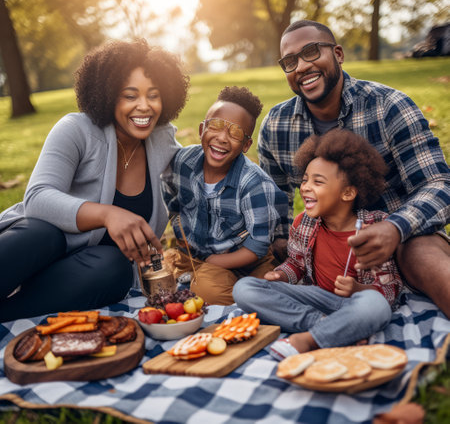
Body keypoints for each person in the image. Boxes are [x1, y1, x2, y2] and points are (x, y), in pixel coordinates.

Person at [258, 19, 450, 317]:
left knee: (422, 256)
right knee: (255, 285)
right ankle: (317, 329)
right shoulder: (277, 125)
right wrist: (284, 245)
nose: (301, 67)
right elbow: (273, 197)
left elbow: (439, 183)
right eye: (290, 61)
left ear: (338, 53)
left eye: (311, 52)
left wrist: (395, 228)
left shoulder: (389, 106)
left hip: (403, 241)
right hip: (325, 250)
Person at [0, 40, 189, 322]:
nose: (144, 106)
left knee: (114, 268)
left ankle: (7, 316)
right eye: (130, 96)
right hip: (32, 251)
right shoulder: (76, 130)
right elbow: (37, 198)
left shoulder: (162, 142)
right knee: (43, 233)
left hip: (81, 273)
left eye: (154, 95)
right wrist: (107, 215)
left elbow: (203, 170)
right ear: (109, 95)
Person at [233, 129, 403, 358]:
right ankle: (330, 327)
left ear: (348, 192)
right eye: (305, 180)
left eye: (318, 182)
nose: (305, 187)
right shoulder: (303, 224)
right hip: (315, 301)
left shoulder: (375, 227)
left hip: (357, 302)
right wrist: (282, 275)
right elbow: (296, 264)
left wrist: (357, 289)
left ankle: (308, 339)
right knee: (244, 289)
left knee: (376, 306)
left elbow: (390, 290)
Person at [161, 86, 288, 305]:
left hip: (248, 259)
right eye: (216, 126)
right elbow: (170, 200)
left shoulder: (254, 183)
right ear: (202, 130)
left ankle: (248, 293)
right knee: (162, 273)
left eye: (235, 133)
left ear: (246, 145)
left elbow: (256, 247)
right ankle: (218, 281)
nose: (222, 137)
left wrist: (214, 261)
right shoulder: (182, 162)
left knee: (220, 290)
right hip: (196, 256)